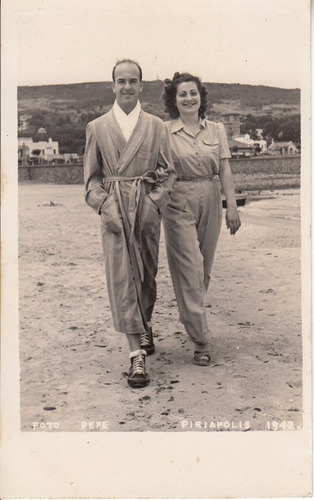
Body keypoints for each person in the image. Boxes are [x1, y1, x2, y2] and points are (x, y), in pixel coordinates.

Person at [84, 59, 176, 388]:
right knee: (122, 277)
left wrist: (154, 201)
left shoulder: (156, 126)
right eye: (120, 81)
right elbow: (91, 181)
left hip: (146, 208)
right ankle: (136, 355)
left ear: (141, 86)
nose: (126, 86)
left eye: (132, 81)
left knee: (146, 274)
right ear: (112, 86)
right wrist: (104, 204)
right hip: (115, 210)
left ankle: (145, 324)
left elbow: (168, 172)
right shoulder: (97, 127)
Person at [162, 72, 241, 366]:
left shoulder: (216, 130)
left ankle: (190, 315)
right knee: (189, 269)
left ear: (201, 96)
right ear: (174, 100)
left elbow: (225, 171)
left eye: (193, 92)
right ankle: (201, 340)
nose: (188, 98)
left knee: (204, 269)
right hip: (177, 198)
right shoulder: (164, 132)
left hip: (210, 194)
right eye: (182, 94)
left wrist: (231, 206)